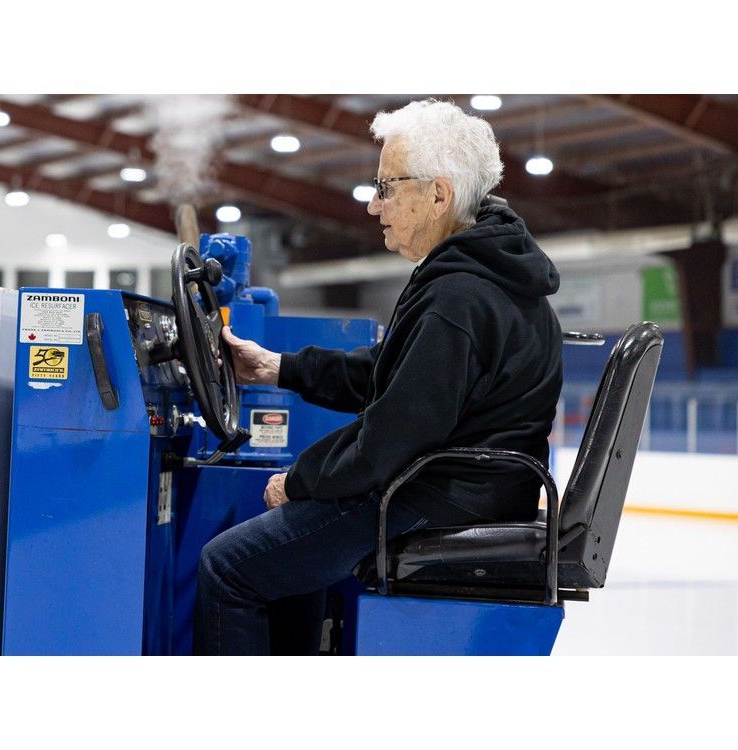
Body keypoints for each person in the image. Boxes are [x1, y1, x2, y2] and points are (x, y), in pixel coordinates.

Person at [193, 99, 563, 656]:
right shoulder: (485, 277)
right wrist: (277, 367)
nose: (373, 205)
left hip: (438, 495)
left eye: (387, 187)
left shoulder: (458, 297)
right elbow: (392, 375)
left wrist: (301, 480)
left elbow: (392, 436)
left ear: (438, 195)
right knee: (289, 557)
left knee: (226, 567)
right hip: (469, 489)